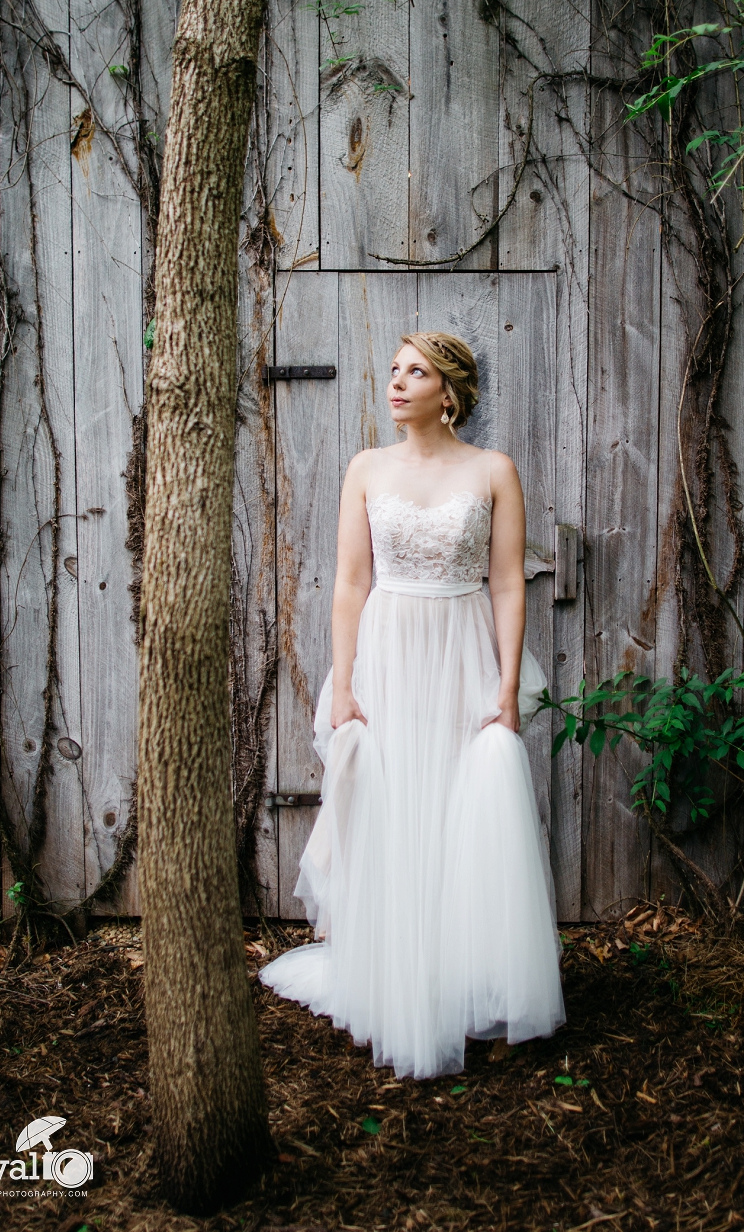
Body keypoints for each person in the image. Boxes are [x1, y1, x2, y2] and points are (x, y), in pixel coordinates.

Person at [259, 332, 565, 1078]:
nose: (396, 382)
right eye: (393, 369)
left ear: (450, 392)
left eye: (415, 372)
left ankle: (458, 978)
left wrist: (501, 685)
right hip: (388, 651)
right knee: (389, 806)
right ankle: (387, 983)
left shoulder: (494, 471)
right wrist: (347, 677)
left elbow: (505, 584)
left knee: (458, 808)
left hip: (461, 651)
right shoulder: (366, 468)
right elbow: (352, 584)